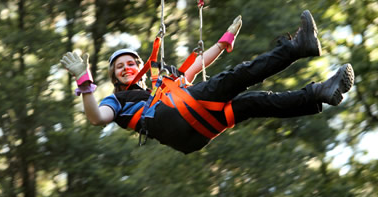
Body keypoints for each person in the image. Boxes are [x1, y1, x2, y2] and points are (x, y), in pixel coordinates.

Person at [60, 10, 355, 154]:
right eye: (119, 68)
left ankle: (319, 94)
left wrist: (223, 42)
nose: (126, 69)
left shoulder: (160, 85)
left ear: (140, 66)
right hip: (173, 119)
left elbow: (193, 68)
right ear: (114, 77)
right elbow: (97, 118)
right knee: (235, 78)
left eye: (130, 63)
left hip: (194, 131)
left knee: (252, 103)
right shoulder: (118, 102)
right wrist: (84, 82)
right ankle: (297, 47)